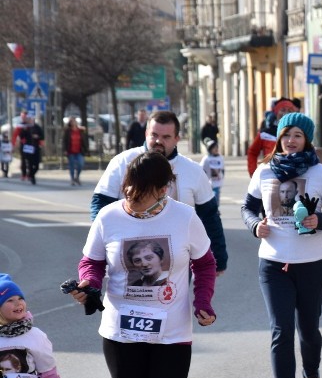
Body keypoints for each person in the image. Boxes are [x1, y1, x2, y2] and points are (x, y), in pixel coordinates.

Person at [71, 151, 217, 378]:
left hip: (172, 332)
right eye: (130, 187)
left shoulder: (184, 217)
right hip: (121, 331)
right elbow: (92, 261)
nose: (134, 195)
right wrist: (88, 285)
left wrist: (203, 301)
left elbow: (205, 262)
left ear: (164, 187)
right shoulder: (109, 217)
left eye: (144, 189)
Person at [241, 112, 322, 378]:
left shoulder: (320, 172)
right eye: (286, 134)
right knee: (281, 330)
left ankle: (311, 374)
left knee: (309, 330)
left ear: (307, 139)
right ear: (278, 137)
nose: (290, 140)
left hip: (312, 264)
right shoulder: (264, 172)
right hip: (273, 262)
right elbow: (248, 207)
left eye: (298, 135)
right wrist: (253, 225)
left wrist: (320, 220)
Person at [90, 110, 228, 275]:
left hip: (179, 258)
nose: (158, 141)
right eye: (154, 135)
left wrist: (219, 258)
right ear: (146, 133)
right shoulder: (122, 163)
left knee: (175, 299)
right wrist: (103, 245)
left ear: (177, 138)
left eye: (166, 137)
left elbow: (210, 216)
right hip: (130, 255)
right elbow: (101, 204)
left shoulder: (193, 171)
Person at [247, 98, 298, 177]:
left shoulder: (299, 133)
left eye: (289, 110)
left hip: (293, 177)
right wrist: (253, 173)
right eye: (283, 110)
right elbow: (252, 152)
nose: (286, 113)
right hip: (269, 176)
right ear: (276, 112)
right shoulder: (265, 134)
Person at [63, 116, 89, 186]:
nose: (73, 123)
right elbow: (65, 141)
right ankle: (72, 179)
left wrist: (86, 150)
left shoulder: (80, 130)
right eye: (72, 121)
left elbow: (84, 139)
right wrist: (65, 150)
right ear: (70, 123)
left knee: (81, 164)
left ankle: (77, 177)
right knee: (71, 165)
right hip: (70, 150)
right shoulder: (68, 131)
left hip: (79, 150)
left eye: (74, 121)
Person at [17, 116, 42, 185]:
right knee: (30, 163)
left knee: (36, 165)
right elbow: (21, 136)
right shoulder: (25, 127)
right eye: (29, 120)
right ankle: (32, 177)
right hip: (28, 147)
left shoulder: (37, 127)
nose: (30, 121)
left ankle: (31, 174)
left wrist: (38, 137)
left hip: (36, 147)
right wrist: (24, 131)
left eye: (31, 120)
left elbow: (42, 135)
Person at [199, 137, 224, 206]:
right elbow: (200, 169)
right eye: (214, 148)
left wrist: (222, 177)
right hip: (209, 182)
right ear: (210, 149)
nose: (216, 149)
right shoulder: (206, 159)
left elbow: (222, 169)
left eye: (217, 147)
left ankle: (216, 209)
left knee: (216, 196)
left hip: (217, 182)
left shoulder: (220, 158)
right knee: (209, 198)